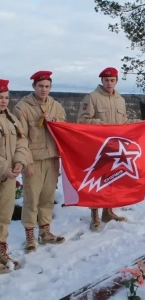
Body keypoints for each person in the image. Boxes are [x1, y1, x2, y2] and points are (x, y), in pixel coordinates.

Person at [77, 67, 143, 232]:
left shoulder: (120, 99)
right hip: (98, 147)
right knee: (97, 180)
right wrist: (103, 126)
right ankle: (94, 215)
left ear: (116, 81)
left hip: (115, 148)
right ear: (102, 81)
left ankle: (108, 211)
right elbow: (82, 120)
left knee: (112, 179)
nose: (109, 83)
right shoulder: (92, 97)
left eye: (112, 80)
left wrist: (139, 124)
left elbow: (123, 121)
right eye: (106, 80)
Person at [13, 71, 66, 253]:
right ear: (34, 86)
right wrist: (25, 163)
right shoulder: (23, 108)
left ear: (50, 88)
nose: (44, 89)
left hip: (52, 158)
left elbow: (64, 131)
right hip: (33, 160)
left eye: (47, 86)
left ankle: (45, 232)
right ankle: (29, 236)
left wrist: (55, 121)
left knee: (47, 197)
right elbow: (21, 139)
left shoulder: (56, 106)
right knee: (31, 199)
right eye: (40, 86)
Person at [0, 79, 32, 273]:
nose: (3, 101)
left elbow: (22, 142)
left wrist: (19, 162)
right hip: (4, 172)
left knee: (3, 216)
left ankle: (1, 251)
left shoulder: (11, 118)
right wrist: (5, 168)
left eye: (6, 97)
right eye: (0, 98)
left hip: (8, 177)